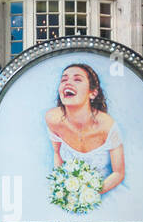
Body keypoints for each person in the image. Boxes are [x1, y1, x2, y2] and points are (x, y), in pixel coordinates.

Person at [44, 63, 125, 196]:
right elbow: (57, 154)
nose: (67, 83)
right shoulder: (52, 118)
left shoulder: (107, 126)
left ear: (93, 93)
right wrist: (62, 188)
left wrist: (88, 195)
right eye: (64, 80)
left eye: (77, 79)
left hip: (104, 196)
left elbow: (118, 173)